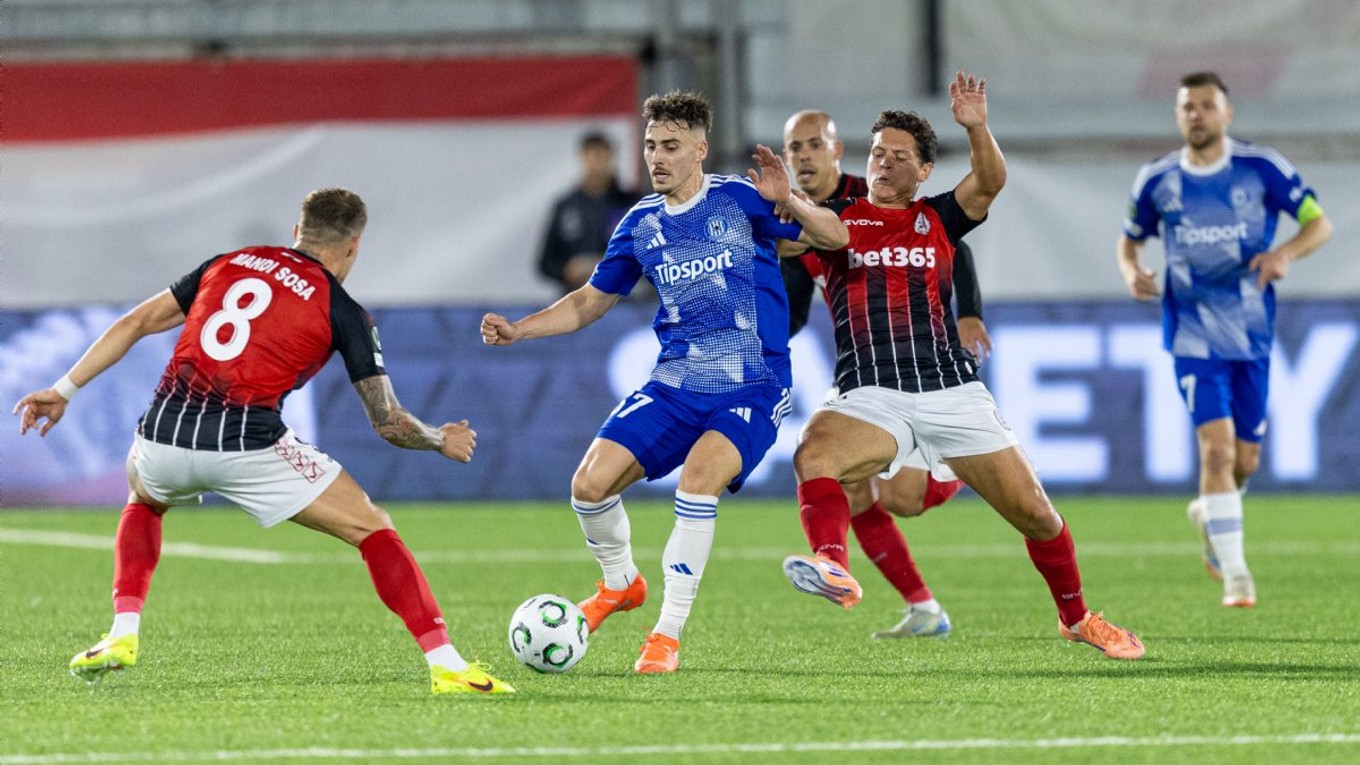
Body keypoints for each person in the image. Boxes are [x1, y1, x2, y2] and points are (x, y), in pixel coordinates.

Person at [13, 188, 514, 695]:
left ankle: (121, 633)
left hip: (162, 435)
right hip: (247, 445)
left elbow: (135, 322)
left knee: (144, 500)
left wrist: (62, 390)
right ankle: (447, 665)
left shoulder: (229, 262)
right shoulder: (342, 309)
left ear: (297, 232)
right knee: (373, 528)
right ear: (353, 247)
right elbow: (388, 422)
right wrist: (440, 439)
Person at [481, 90, 848, 674]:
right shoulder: (640, 224)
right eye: (651, 145)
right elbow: (589, 301)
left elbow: (834, 238)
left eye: (671, 146)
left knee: (697, 482)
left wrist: (791, 203)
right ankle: (620, 583)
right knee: (589, 486)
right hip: (676, 382)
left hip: (753, 383)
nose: (657, 156)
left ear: (700, 150)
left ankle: (665, 635)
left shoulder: (740, 198)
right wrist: (520, 329)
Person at [782, 72, 1145, 660]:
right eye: (877, 153)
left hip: (951, 390)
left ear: (925, 170)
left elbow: (991, 181)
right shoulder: (841, 218)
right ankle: (832, 564)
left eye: (900, 157)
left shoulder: (939, 218)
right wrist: (781, 201)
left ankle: (1077, 618)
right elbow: (798, 237)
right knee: (814, 453)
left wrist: (977, 127)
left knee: (1039, 516)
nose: (884, 164)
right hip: (871, 392)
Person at [1117, 71, 1332, 608]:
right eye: (1188, 106)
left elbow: (1318, 223)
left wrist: (1284, 254)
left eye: (1207, 105)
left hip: (1251, 333)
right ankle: (1237, 575)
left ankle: (1210, 514)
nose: (1197, 115)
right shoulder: (1157, 180)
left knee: (1245, 461)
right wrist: (1131, 271)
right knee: (1215, 451)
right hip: (1191, 335)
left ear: (1227, 113)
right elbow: (1129, 241)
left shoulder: (1262, 168)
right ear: (1177, 115)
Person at [781, 109, 994, 639]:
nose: (804, 156)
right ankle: (920, 606)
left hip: (921, 364)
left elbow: (956, 243)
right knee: (848, 485)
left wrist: (969, 313)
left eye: (814, 144)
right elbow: (792, 310)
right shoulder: (806, 221)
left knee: (904, 499)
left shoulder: (874, 193)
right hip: (864, 371)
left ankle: (966, 456)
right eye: (794, 148)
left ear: (837, 151)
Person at [538, 131, 639, 293]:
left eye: (602, 156)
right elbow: (545, 263)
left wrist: (614, 265)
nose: (597, 163)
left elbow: (649, 252)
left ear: (611, 158)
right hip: (576, 297)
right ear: (582, 158)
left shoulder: (631, 204)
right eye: (592, 156)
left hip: (623, 297)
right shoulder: (565, 206)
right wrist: (566, 270)